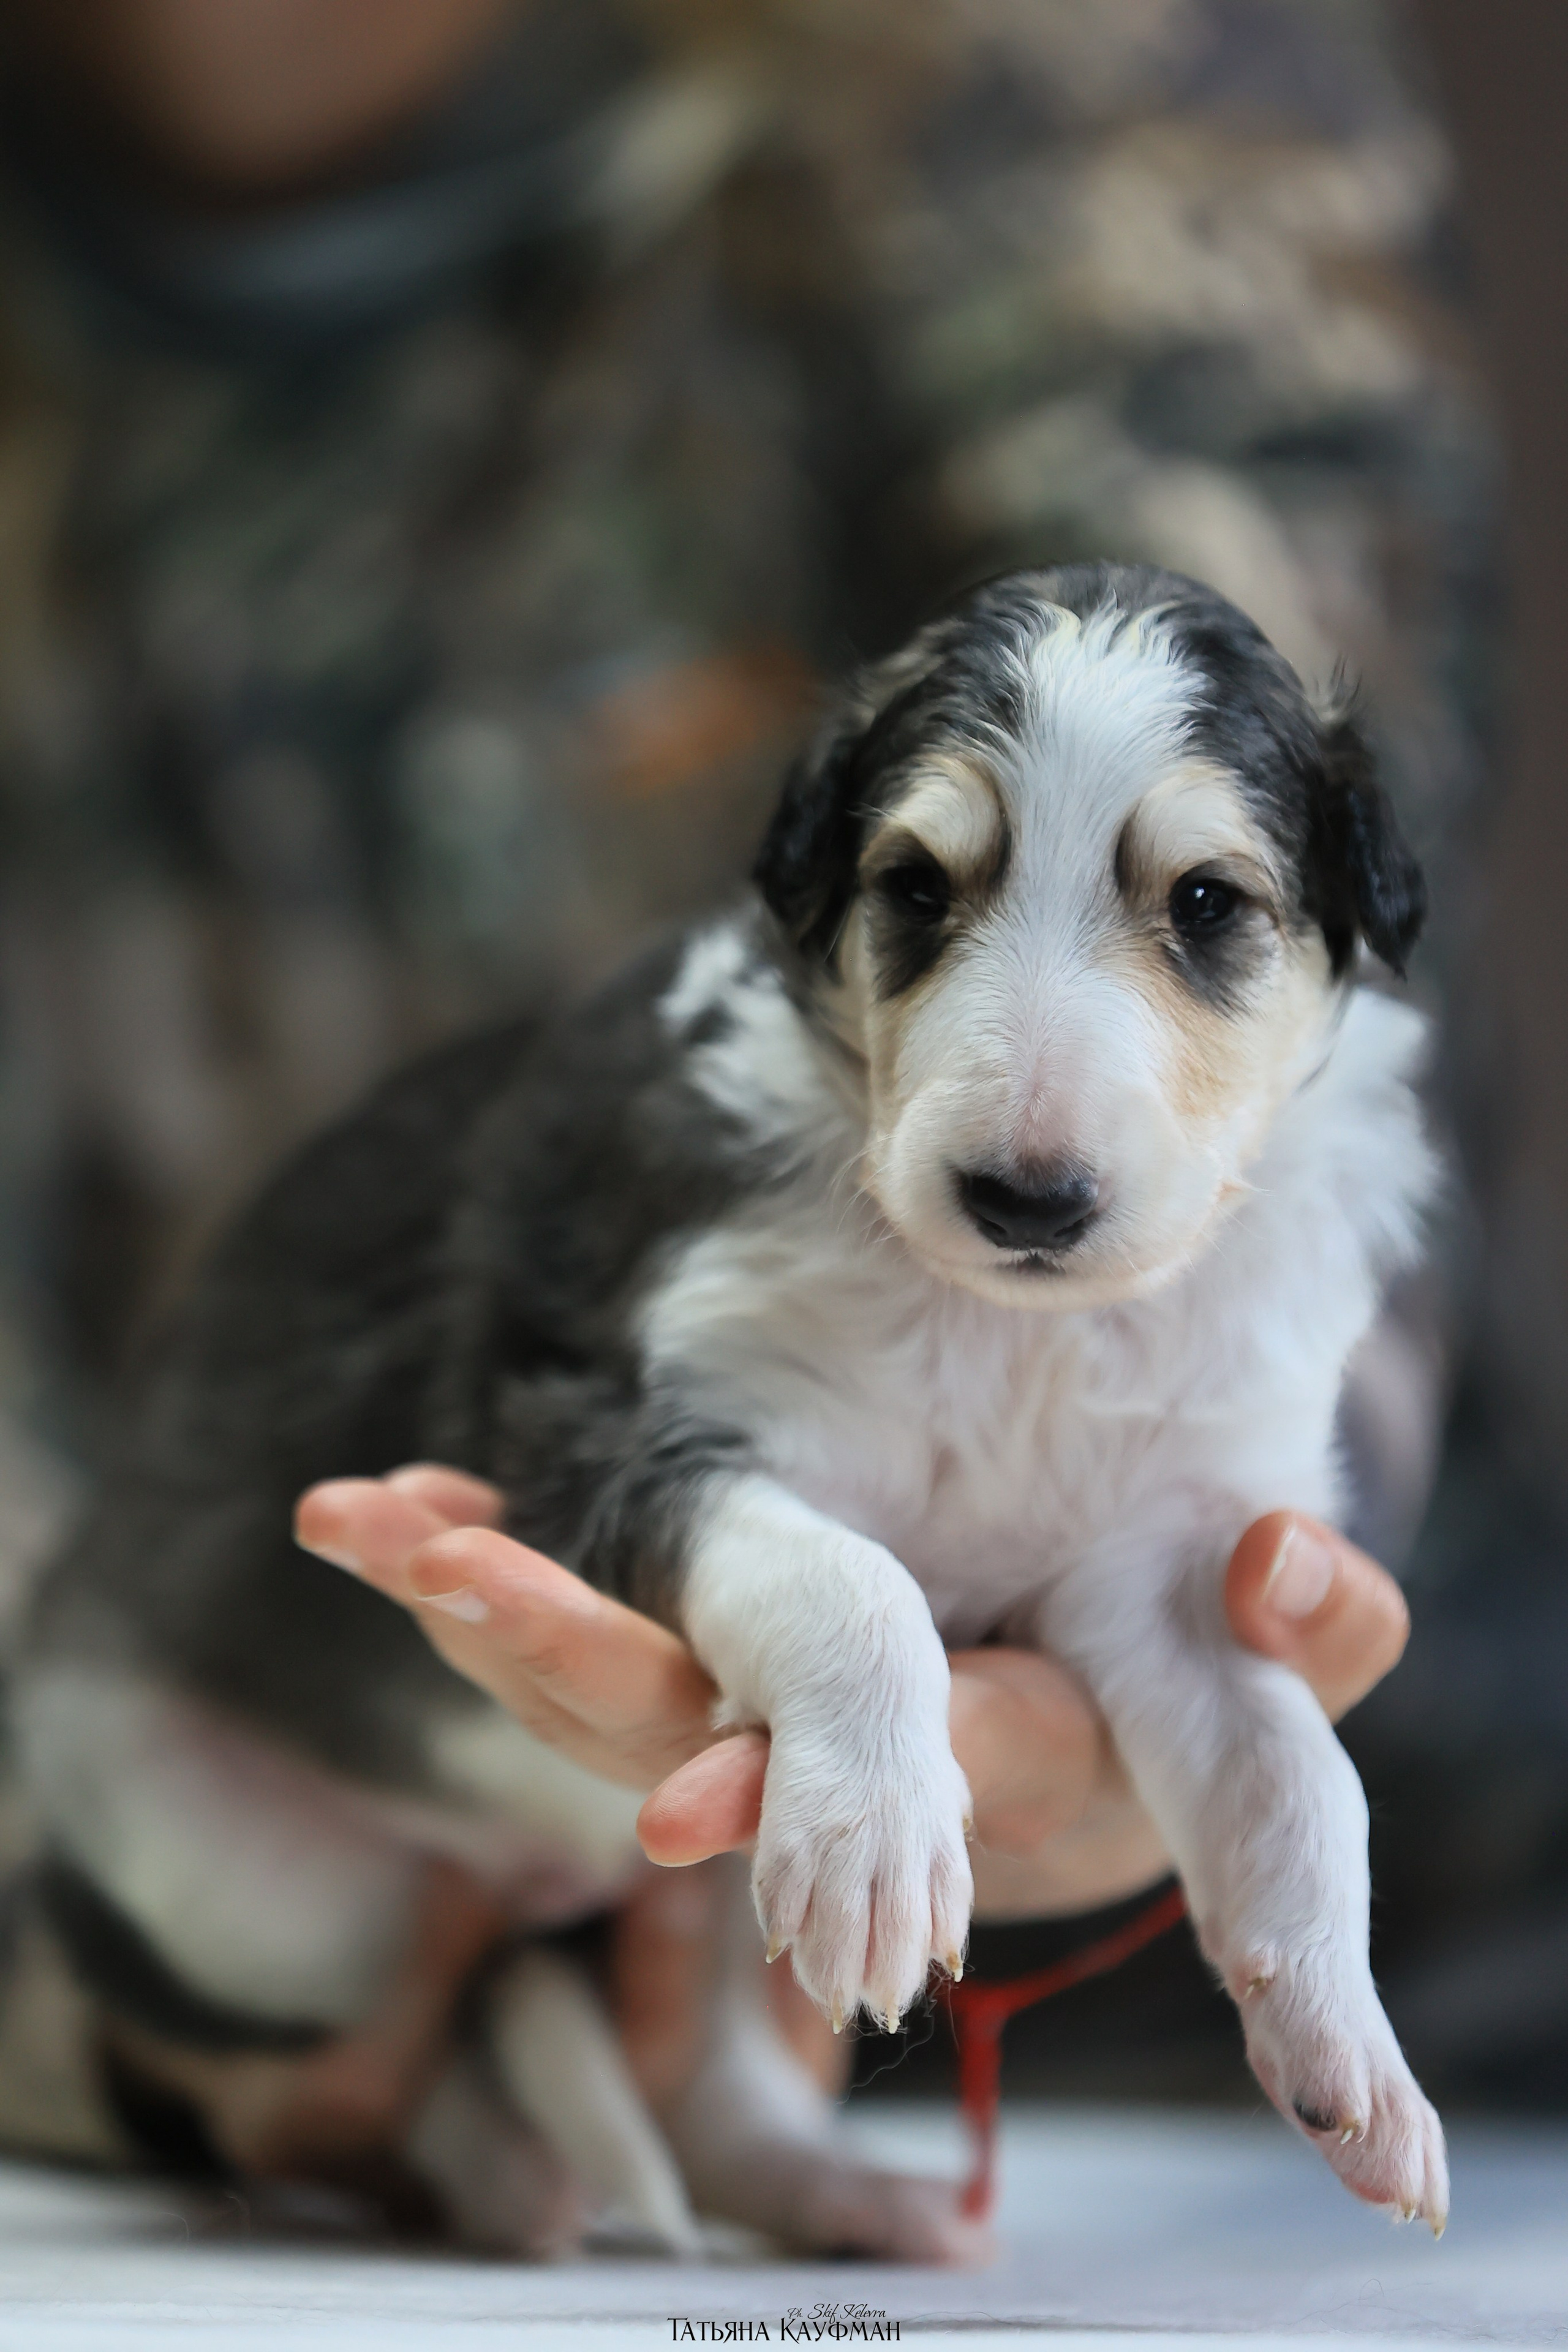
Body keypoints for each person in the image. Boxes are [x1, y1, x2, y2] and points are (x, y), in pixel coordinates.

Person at [0, 0, 1496, 2195]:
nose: (1037, 1082)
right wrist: (131, 1967)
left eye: (1200, 911)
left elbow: (1263, 686)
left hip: (1324, 2046)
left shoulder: (1037, 63)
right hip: (269, 1910)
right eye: (920, 897)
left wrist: (1249, 1517)